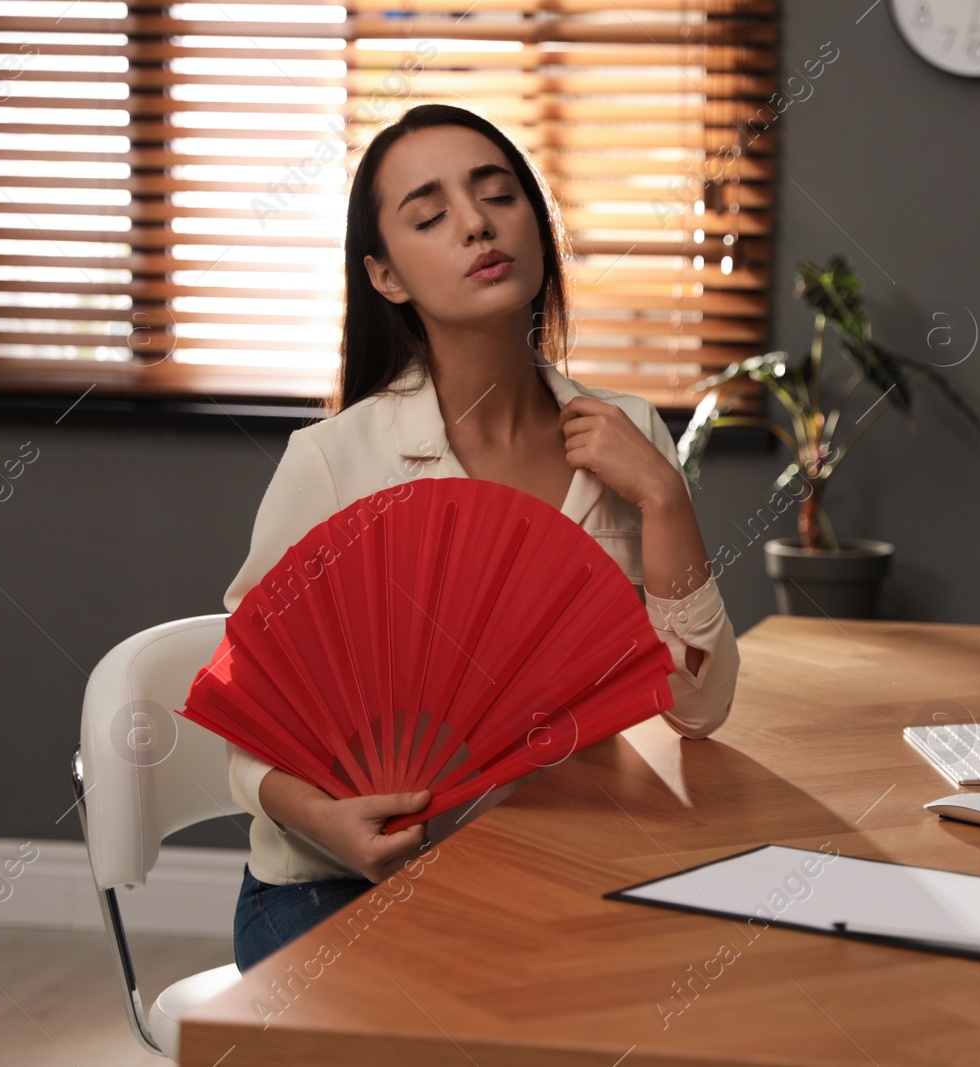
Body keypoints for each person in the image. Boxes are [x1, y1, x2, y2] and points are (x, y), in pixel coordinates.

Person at [222, 103, 741, 971]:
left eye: (498, 196)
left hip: (544, 867)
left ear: (537, 233)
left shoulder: (631, 432)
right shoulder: (331, 461)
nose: (476, 224)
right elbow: (249, 706)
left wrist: (663, 497)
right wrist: (322, 822)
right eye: (430, 216)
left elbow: (699, 708)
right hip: (334, 883)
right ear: (386, 277)